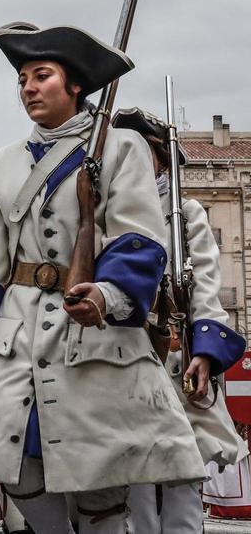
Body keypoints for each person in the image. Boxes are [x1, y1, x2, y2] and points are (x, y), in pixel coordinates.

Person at [0, 23, 205, 532]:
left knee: (100, 476)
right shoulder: (0, 166)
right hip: (16, 335)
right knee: (12, 466)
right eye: (22, 79)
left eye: (42, 76)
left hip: (90, 331)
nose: (28, 88)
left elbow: (137, 237)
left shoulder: (121, 148)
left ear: (76, 86)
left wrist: (108, 294)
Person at [112, 107, 247, 534]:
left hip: (174, 350)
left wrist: (204, 352)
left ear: (158, 157)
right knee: (130, 470)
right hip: (121, 350)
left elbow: (205, 285)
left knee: (184, 469)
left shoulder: (186, 213)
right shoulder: (104, 209)